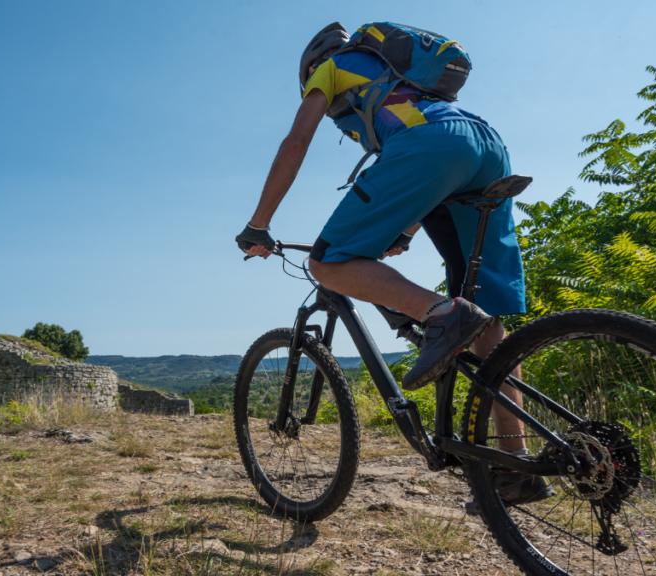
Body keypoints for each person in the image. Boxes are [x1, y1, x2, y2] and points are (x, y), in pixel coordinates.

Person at [235, 22, 553, 512]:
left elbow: (295, 142)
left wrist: (259, 224)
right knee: (487, 318)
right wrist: (400, 234)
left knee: (330, 261)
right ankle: (516, 466)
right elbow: (425, 166)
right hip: (485, 143)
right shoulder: (403, 79)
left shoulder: (332, 67)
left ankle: (441, 315)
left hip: (432, 144)